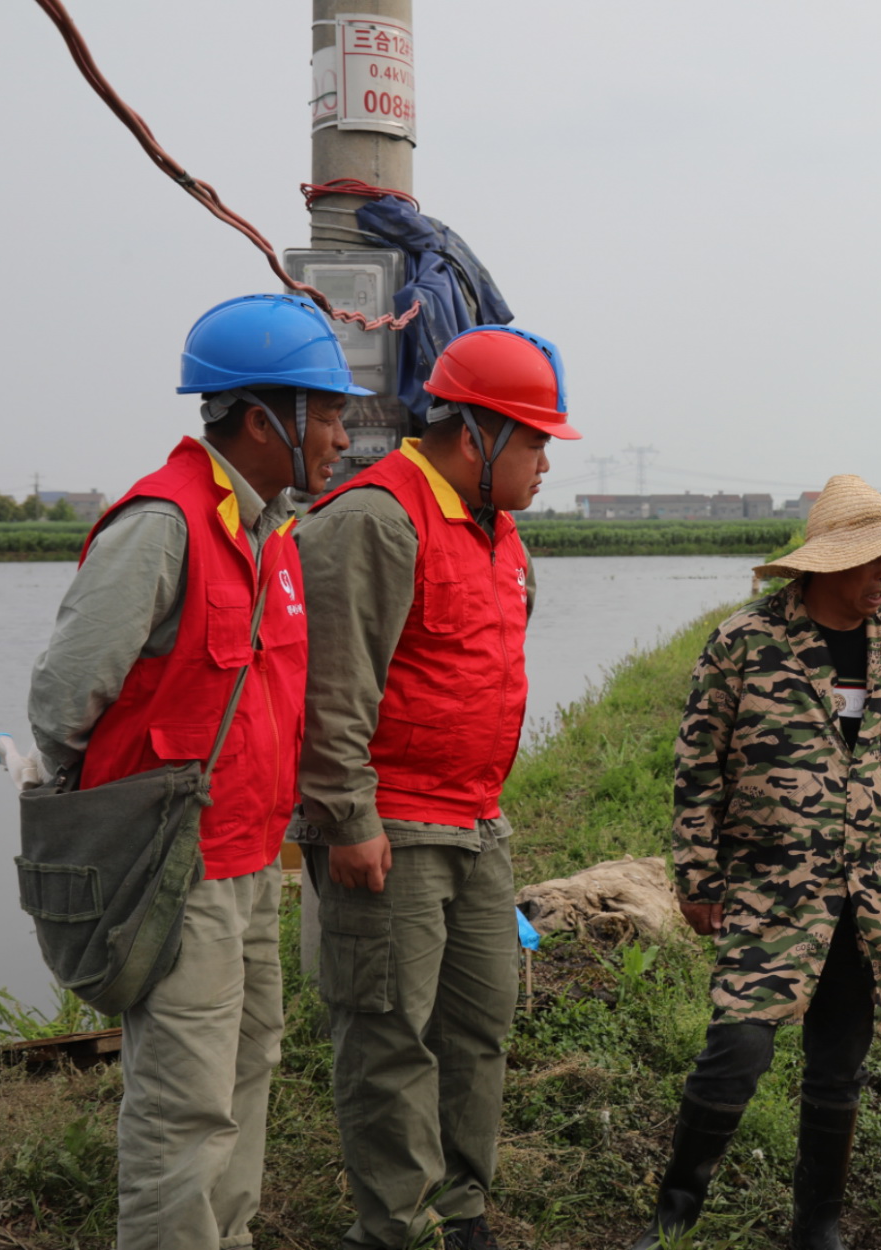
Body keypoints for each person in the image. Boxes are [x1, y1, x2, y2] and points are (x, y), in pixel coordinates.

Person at [26, 292, 364, 1250]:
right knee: (183, 1109)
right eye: (329, 414)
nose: (343, 435)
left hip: (252, 861)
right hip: (178, 872)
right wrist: (127, 824)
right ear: (264, 422)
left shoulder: (271, 535)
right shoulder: (164, 526)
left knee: (246, 1073)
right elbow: (61, 702)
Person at [292, 324, 576, 1250]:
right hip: (392, 830)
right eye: (533, 443)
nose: (543, 465)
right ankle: (396, 1227)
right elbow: (333, 689)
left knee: (479, 1025)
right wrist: (347, 819)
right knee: (386, 1038)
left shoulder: (500, 533)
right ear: (477, 435)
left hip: (476, 823)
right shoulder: (377, 518)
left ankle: (463, 1213)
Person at [631, 475, 881, 1250]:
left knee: (838, 1066)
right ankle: (674, 1211)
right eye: (870, 562)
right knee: (737, 1049)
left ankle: (817, 1223)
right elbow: (698, 764)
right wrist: (697, 876)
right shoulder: (747, 641)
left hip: (868, 896)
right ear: (823, 564)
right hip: (769, 892)